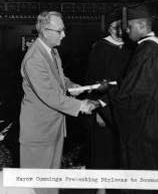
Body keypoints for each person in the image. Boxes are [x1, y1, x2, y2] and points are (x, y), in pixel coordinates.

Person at [19, 11, 99, 194]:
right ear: (46, 31)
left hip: (53, 127)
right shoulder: (34, 59)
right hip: (38, 132)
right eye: (60, 31)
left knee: (51, 182)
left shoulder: (52, 52)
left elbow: (59, 80)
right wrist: (80, 105)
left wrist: (74, 86)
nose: (64, 35)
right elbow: (49, 95)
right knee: (37, 186)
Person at [103, 5, 158, 194]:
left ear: (142, 25)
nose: (126, 31)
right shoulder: (154, 46)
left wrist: (109, 92)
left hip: (146, 129)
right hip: (154, 123)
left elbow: (134, 95)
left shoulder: (148, 50)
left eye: (128, 27)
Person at [84, 9, 133, 194]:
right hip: (103, 108)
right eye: (114, 27)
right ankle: (101, 188)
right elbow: (92, 80)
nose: (118, 31)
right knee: (103, 150)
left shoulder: (132, 47)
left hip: (123, 107)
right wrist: (98, 112)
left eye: (122, 27)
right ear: (108, 28)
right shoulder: (100, 48)